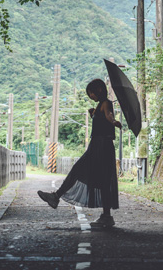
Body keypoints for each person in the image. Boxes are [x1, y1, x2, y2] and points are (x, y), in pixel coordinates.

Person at [37, 78, 122, 227]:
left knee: (80, 171)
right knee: (101, 180)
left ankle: (56, 197)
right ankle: (106, 216)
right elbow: (103, 120)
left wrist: (114, 122)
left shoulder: (106, 104)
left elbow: (109, 115)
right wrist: (93, 115)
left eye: (92, 93)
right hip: (98, 146)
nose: (91, 97)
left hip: (101, 147)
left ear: (99, 90)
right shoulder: (99, 106)